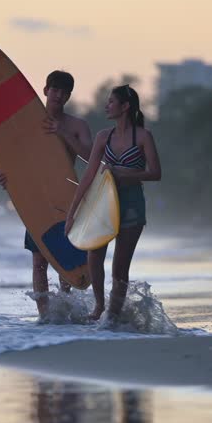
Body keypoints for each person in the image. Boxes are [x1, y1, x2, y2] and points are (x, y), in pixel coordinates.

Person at [0, 70, 92, 318]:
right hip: (39, 200)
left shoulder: (76, 126)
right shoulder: (29, 126)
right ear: (45, 90)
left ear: (68, 96)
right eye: (55, 90)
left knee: (66, 261)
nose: (58, 96)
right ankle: (44, 315)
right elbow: (18, 161)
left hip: (67, 199)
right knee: (39, 262)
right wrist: (8, 179)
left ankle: (68, 308)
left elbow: (90, 156)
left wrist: (62, 132)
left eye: (64, 92)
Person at [64, 84, 161, 320]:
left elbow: (156, 173)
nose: (107, 105)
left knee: (120, 267)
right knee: (94, 256)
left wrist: (125, 173)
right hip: (102, 203)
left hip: (131, 204)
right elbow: (88, 176)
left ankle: (114, 315)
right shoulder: (102, 137)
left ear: (125, 106)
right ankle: (99, 308)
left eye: (111, 102)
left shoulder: (143, 136)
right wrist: (72, 213)